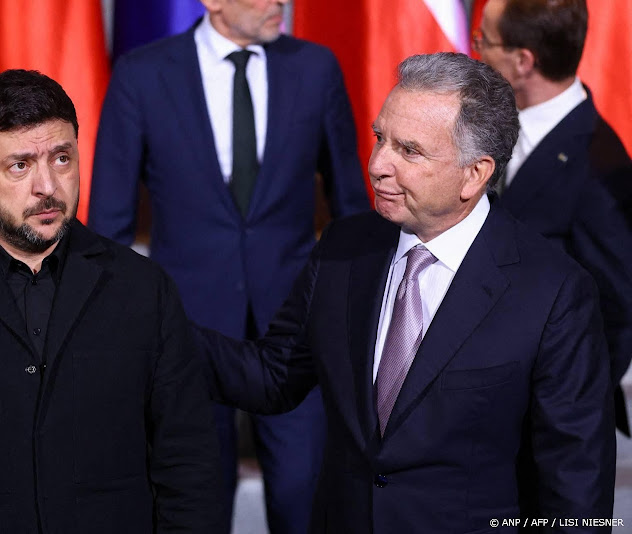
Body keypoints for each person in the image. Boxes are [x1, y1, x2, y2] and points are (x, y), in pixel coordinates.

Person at [195, 52, 616, 533]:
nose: (377, 165)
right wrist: (155, 321)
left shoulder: (553, 291)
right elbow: (273, 376)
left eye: (409, 151)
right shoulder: (344, 248)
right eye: (380, 138)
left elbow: (575, 480)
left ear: (475, 174)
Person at [0, 69, 222, 533]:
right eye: (20, 166)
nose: (47, 186)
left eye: (62, 159)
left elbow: (188, 467)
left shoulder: (145, 290)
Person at [88, 1, 370, 531]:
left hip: (296, 328)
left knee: (304, 497)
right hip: (184, 326)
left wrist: (361, 306)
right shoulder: (142, 73)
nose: (279, 2)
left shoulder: (315, 67)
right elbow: (110, 222)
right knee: (195, 501)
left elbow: (351, 205)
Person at [474, 0, 632, 435]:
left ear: (524, 61)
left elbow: (618, 311)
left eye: (485, 41)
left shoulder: (598, 167)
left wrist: (563, 410)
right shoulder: (493, 126)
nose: (476, 52)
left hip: (543, 426)